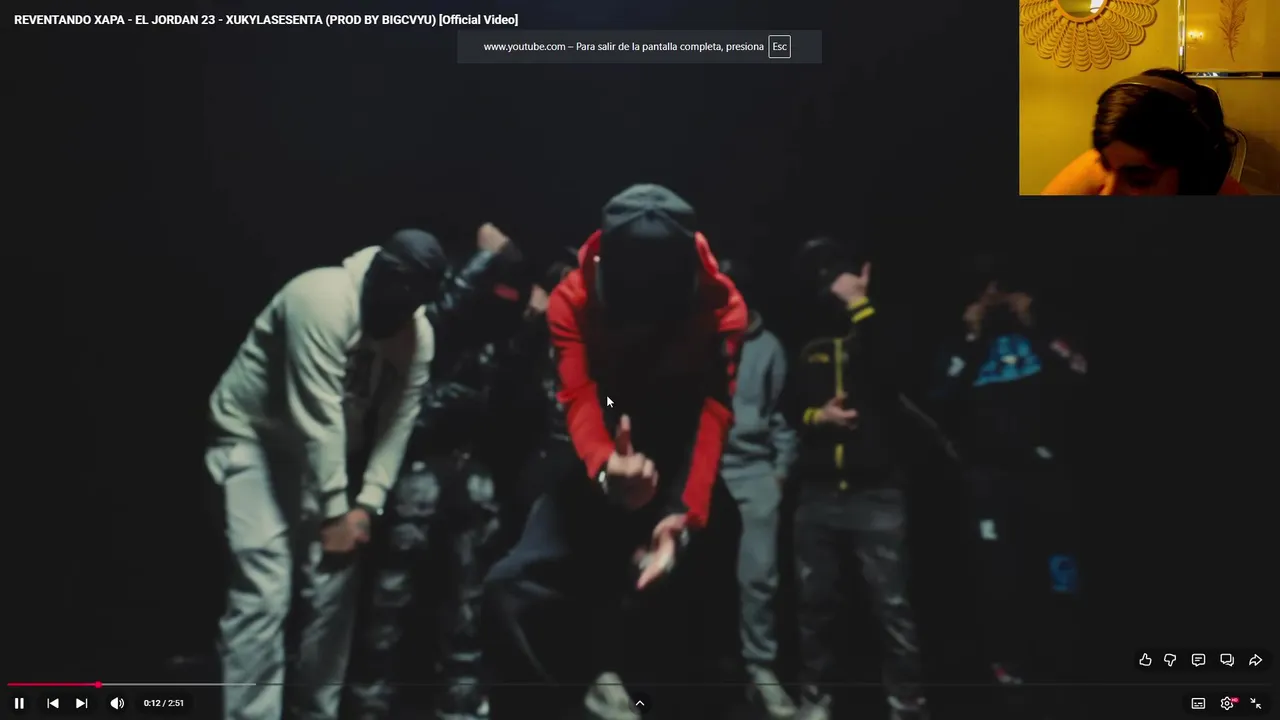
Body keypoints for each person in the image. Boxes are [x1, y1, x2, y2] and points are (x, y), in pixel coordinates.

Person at [481, 184, 747, 720]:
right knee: (511, 588)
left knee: (699, 614)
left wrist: (683, 517)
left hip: (678, 451)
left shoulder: (722, 306)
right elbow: (581, 394)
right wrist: (607, 465)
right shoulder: (572, 299)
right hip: (606, 440)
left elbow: (712, 412)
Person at [205, 229, 444, 720]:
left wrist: (366, 505)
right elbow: (318, 413)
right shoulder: (320, 296)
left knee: (334, 592)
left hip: (321, 460)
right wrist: (337, 510)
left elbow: (399, 421)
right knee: (265, 593)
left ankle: (316, 712)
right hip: (255, 442)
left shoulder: (417, 335)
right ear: (375, 277)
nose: (396, 316)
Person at [345, 224, 528, 720]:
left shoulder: (506, 329)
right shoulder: (429, 323)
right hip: (421, 465)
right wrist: (490, 260)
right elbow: (444, 318)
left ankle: (461, 703)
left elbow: (516, 394)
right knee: (390, 595)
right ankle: (368, 702)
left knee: (469, 597)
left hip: (473, 470)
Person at [785, 238, 930, 720]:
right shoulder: (807, 343)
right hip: (818, 494)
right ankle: (816, 698)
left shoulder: (880, 329)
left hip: (877, 493)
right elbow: (789, 409)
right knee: (814, 605)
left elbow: (894, 374)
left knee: (892, 606)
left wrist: (861, 307)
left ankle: (907, 702)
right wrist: (817, 417)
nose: (833, 281)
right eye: (825, 274)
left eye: (839, 271)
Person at [928, 256, 1086, 698]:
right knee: (1000, 572)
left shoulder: (1042, 338)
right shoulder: (958, 347)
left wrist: (1033, 326)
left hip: (1047, 471)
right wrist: (973, 338)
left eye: (1001, 289)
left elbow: (1078, 378)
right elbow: (941, 403)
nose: (993, 298)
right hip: (989, 478)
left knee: (1061, 569)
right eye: (985, 291)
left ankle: (1067, 656)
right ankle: (1007, 661)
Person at [715, 259, 799, 719]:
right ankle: (700, 675)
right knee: (688, 575)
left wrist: (778, 472)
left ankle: (761, 669)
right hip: (703, 471)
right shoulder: (697, 339)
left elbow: (782, 416)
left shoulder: (769, 348)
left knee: (759, 575)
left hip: (754, 472)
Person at [1042, 68, 1247, 195]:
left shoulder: (1212, 186)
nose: (1108, 193)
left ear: (1193, 179)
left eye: (1139, 180)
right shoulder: (1095, 165)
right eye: (1105, 169)